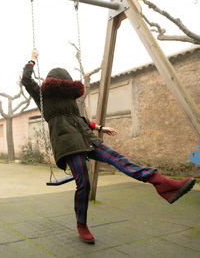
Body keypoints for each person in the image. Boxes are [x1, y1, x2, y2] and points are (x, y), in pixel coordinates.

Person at [21, 48, 196, 244]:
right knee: (84, 183)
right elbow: (27, 81)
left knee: (120, 160)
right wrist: (32, 60)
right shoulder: (44, 98)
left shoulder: (69, 100)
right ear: (52, 84)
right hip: (68, 144)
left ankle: (162, 183)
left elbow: (81, 120)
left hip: (87, 139)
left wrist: (101, 128)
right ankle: (82, 224)